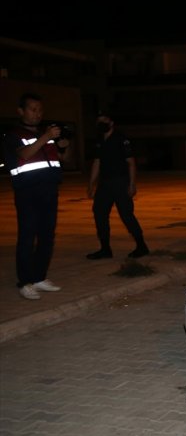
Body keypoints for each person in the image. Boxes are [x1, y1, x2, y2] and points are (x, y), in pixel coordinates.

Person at [2, 93, 70, 300]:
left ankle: (39, 277)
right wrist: (46, 137)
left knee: (47, 237)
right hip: (28, 192)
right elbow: (24, 154)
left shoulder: (45, 133)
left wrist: (64, 146)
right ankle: (25, 282)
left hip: (49, 189)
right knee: (27, 237)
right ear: (21, 111)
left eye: (40, 110)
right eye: (32, 109)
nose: (37, 114)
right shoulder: (13, 134)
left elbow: (61, 158)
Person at [86, 113, 149, 259]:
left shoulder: (121, 138)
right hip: (105, 183)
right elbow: (97, 162)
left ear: (112, 122)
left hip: (120, 182)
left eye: (104, 120)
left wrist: (132, 184)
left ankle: (141, 245)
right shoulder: (99, 140)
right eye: (99, 121)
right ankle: (105, 248)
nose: (101, 123)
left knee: (126, 215)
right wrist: (91, 184)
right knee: (99, 213)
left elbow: (131, 162)